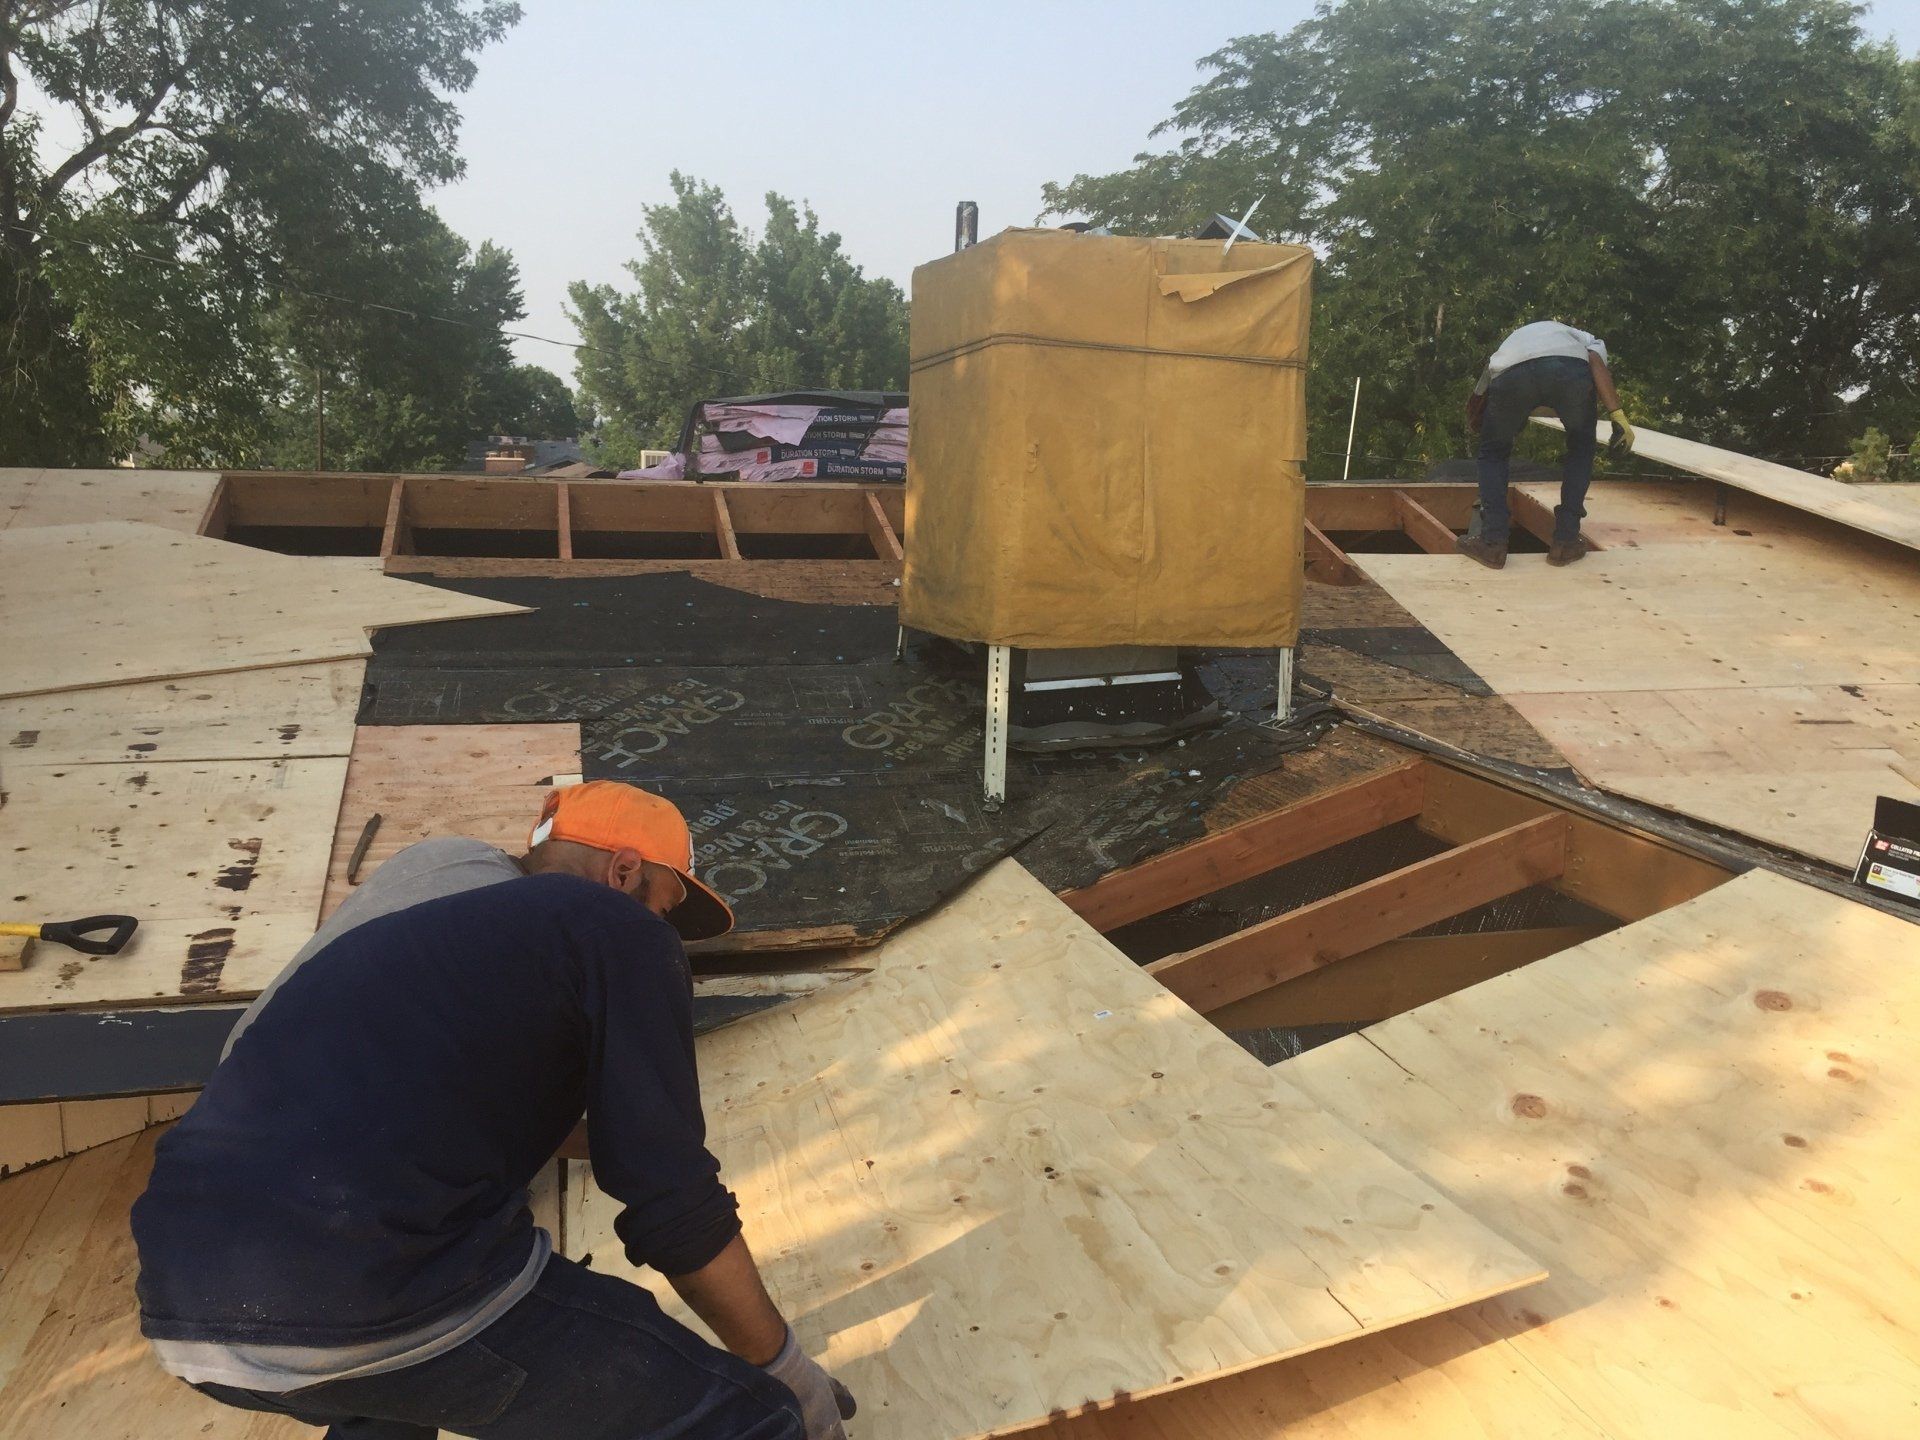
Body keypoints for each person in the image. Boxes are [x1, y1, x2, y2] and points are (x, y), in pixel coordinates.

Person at [132, 780, 856, 1440]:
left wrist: (630, 1125)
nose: (666, 933)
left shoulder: (420, 936)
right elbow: (670, 1202)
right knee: (745, 1422)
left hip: (186, 1307)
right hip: (360, 1280)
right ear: (625, 873)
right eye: (667, 907)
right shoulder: (615, 927)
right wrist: (786, 1371)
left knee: (389, 1394)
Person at [1460, 320, 1636, 569]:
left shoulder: (1513, 342)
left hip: (1511, 375)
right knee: (1581, 447)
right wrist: (1617, 415)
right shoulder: (1586, 339)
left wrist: (1480, 416)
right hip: (1568, 372)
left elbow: (1486, 380)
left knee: (1493, 453)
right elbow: (1596, 363)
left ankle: (1492, 543)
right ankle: (1565, 542)